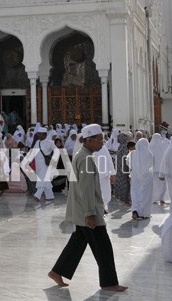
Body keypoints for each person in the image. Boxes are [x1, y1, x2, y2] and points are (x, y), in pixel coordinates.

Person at [48, 124, 126, 292]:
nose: (102, 144)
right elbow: (86, 188)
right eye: (99, 141)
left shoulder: (80, 155)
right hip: (88, 212)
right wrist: (90, 213)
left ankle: (57, 271)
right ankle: (109, 282)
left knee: (78, 242)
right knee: (103, 247)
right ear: (89, 141)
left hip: (80, 209)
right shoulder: (87, 159)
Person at [130, 137, 154, 220]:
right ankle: (144, 213)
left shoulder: (133, 153)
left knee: (135, 194)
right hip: (147, 177)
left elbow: (128, 164)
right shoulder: (149, 153)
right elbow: (150, 165)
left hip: (135, 177)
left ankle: (135, 210)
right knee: (145, 195)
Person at [151, 133, 169, 204]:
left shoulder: (150, 146)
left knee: (156, 185)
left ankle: (156, 199)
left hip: (155, 169)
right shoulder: (162, 146)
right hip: (162, 169)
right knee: (163, 185)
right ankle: (161, 198)